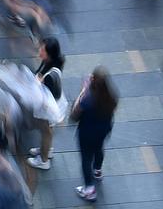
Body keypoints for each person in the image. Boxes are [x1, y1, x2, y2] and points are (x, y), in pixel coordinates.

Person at [71, 67, 117, 202]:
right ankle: (97, 170)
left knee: (86, 158)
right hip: (103, 130)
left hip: (87, 133)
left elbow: (74, 115)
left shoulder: (88, 99)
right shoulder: (111, 96)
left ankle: (89, 190)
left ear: (93, 81)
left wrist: (83, 91)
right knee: (99, 149)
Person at [25, 36, 66, 170]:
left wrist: (38, 83)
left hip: (49, 109)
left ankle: (43, 160)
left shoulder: (50, 76)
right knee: (47, 131)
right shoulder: (51, 62)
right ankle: (46, 150)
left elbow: (47, 95)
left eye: (43, 49)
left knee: (46, 131)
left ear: (49, 53)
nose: (40, 50)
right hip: (53, 106)